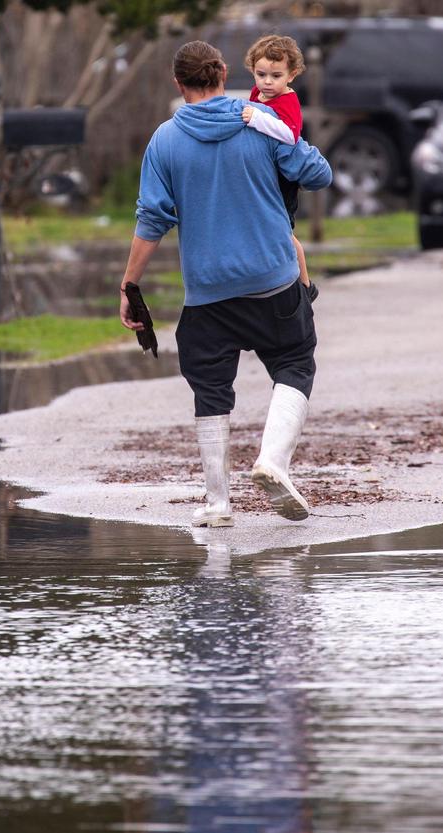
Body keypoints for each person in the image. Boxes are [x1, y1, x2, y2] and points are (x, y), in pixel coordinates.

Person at [118, 40, 332, 528]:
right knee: (294, 363)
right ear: (223, 74)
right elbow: (317, 175)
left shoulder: (165, 141)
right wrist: (292, 142)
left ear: (179, 83)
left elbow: (153, 218)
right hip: (274, 283)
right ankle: (273, 462)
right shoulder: (258, 121)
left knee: (210, 391)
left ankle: (217, 504)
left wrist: (130, 286)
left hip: (209, 295)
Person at [239, 34, 312, 291]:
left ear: (291, 75)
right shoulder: (258, 93)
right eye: (261, 74)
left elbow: (290, 134)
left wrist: (257, 118)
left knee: (284, 233)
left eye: (276, 76)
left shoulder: (288, 100)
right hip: (264, 173)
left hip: (284, 178)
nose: (267, 82)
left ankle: (305, 284)